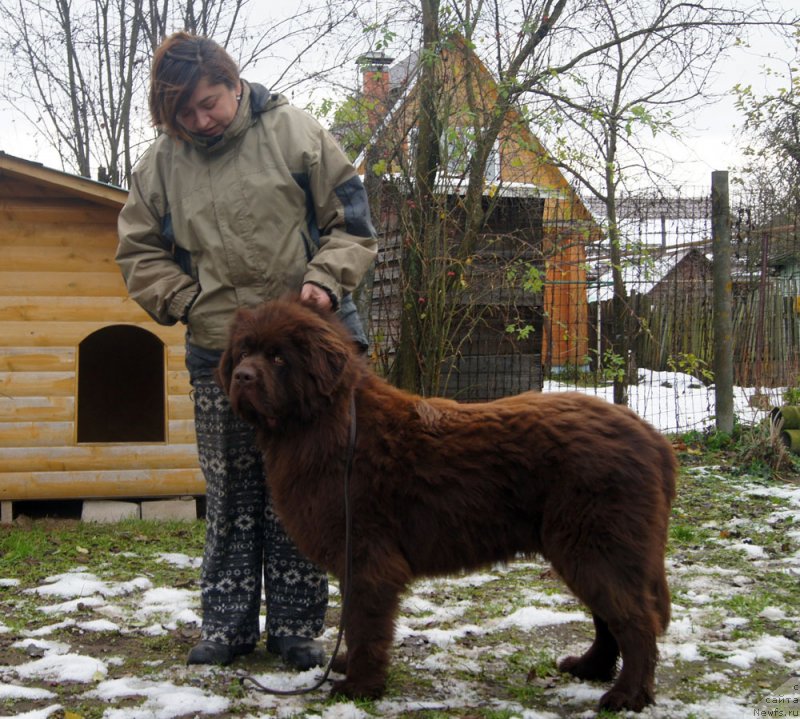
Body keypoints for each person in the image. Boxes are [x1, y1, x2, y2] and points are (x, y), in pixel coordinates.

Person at [116, 31, 377, 669]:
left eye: (210, 103)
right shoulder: (159, 166)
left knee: (311, 486)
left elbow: (352, 221)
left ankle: (296, 628)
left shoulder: (298, 134)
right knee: (232, 489)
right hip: (221, 355)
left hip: (311, 354)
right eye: (184, 112)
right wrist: (187, 302)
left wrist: (323, 279)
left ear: (236, 86)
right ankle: (227, 626)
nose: (200, 120)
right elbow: (138, 252)